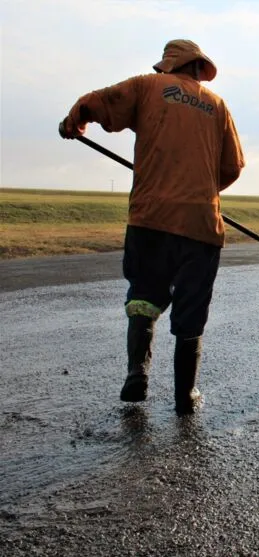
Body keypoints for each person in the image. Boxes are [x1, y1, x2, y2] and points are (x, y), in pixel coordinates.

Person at [59, 39, 245, 415]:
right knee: (191, 311)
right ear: (197, 68)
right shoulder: (218, 105)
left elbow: (97, 102)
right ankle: (184, 397)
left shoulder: (146, 86)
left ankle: (137, 374)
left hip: (150, 218)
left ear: (169, 66)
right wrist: (198, 188)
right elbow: (232, 167)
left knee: (144, 294)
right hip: (199, 224)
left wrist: (73, 122)